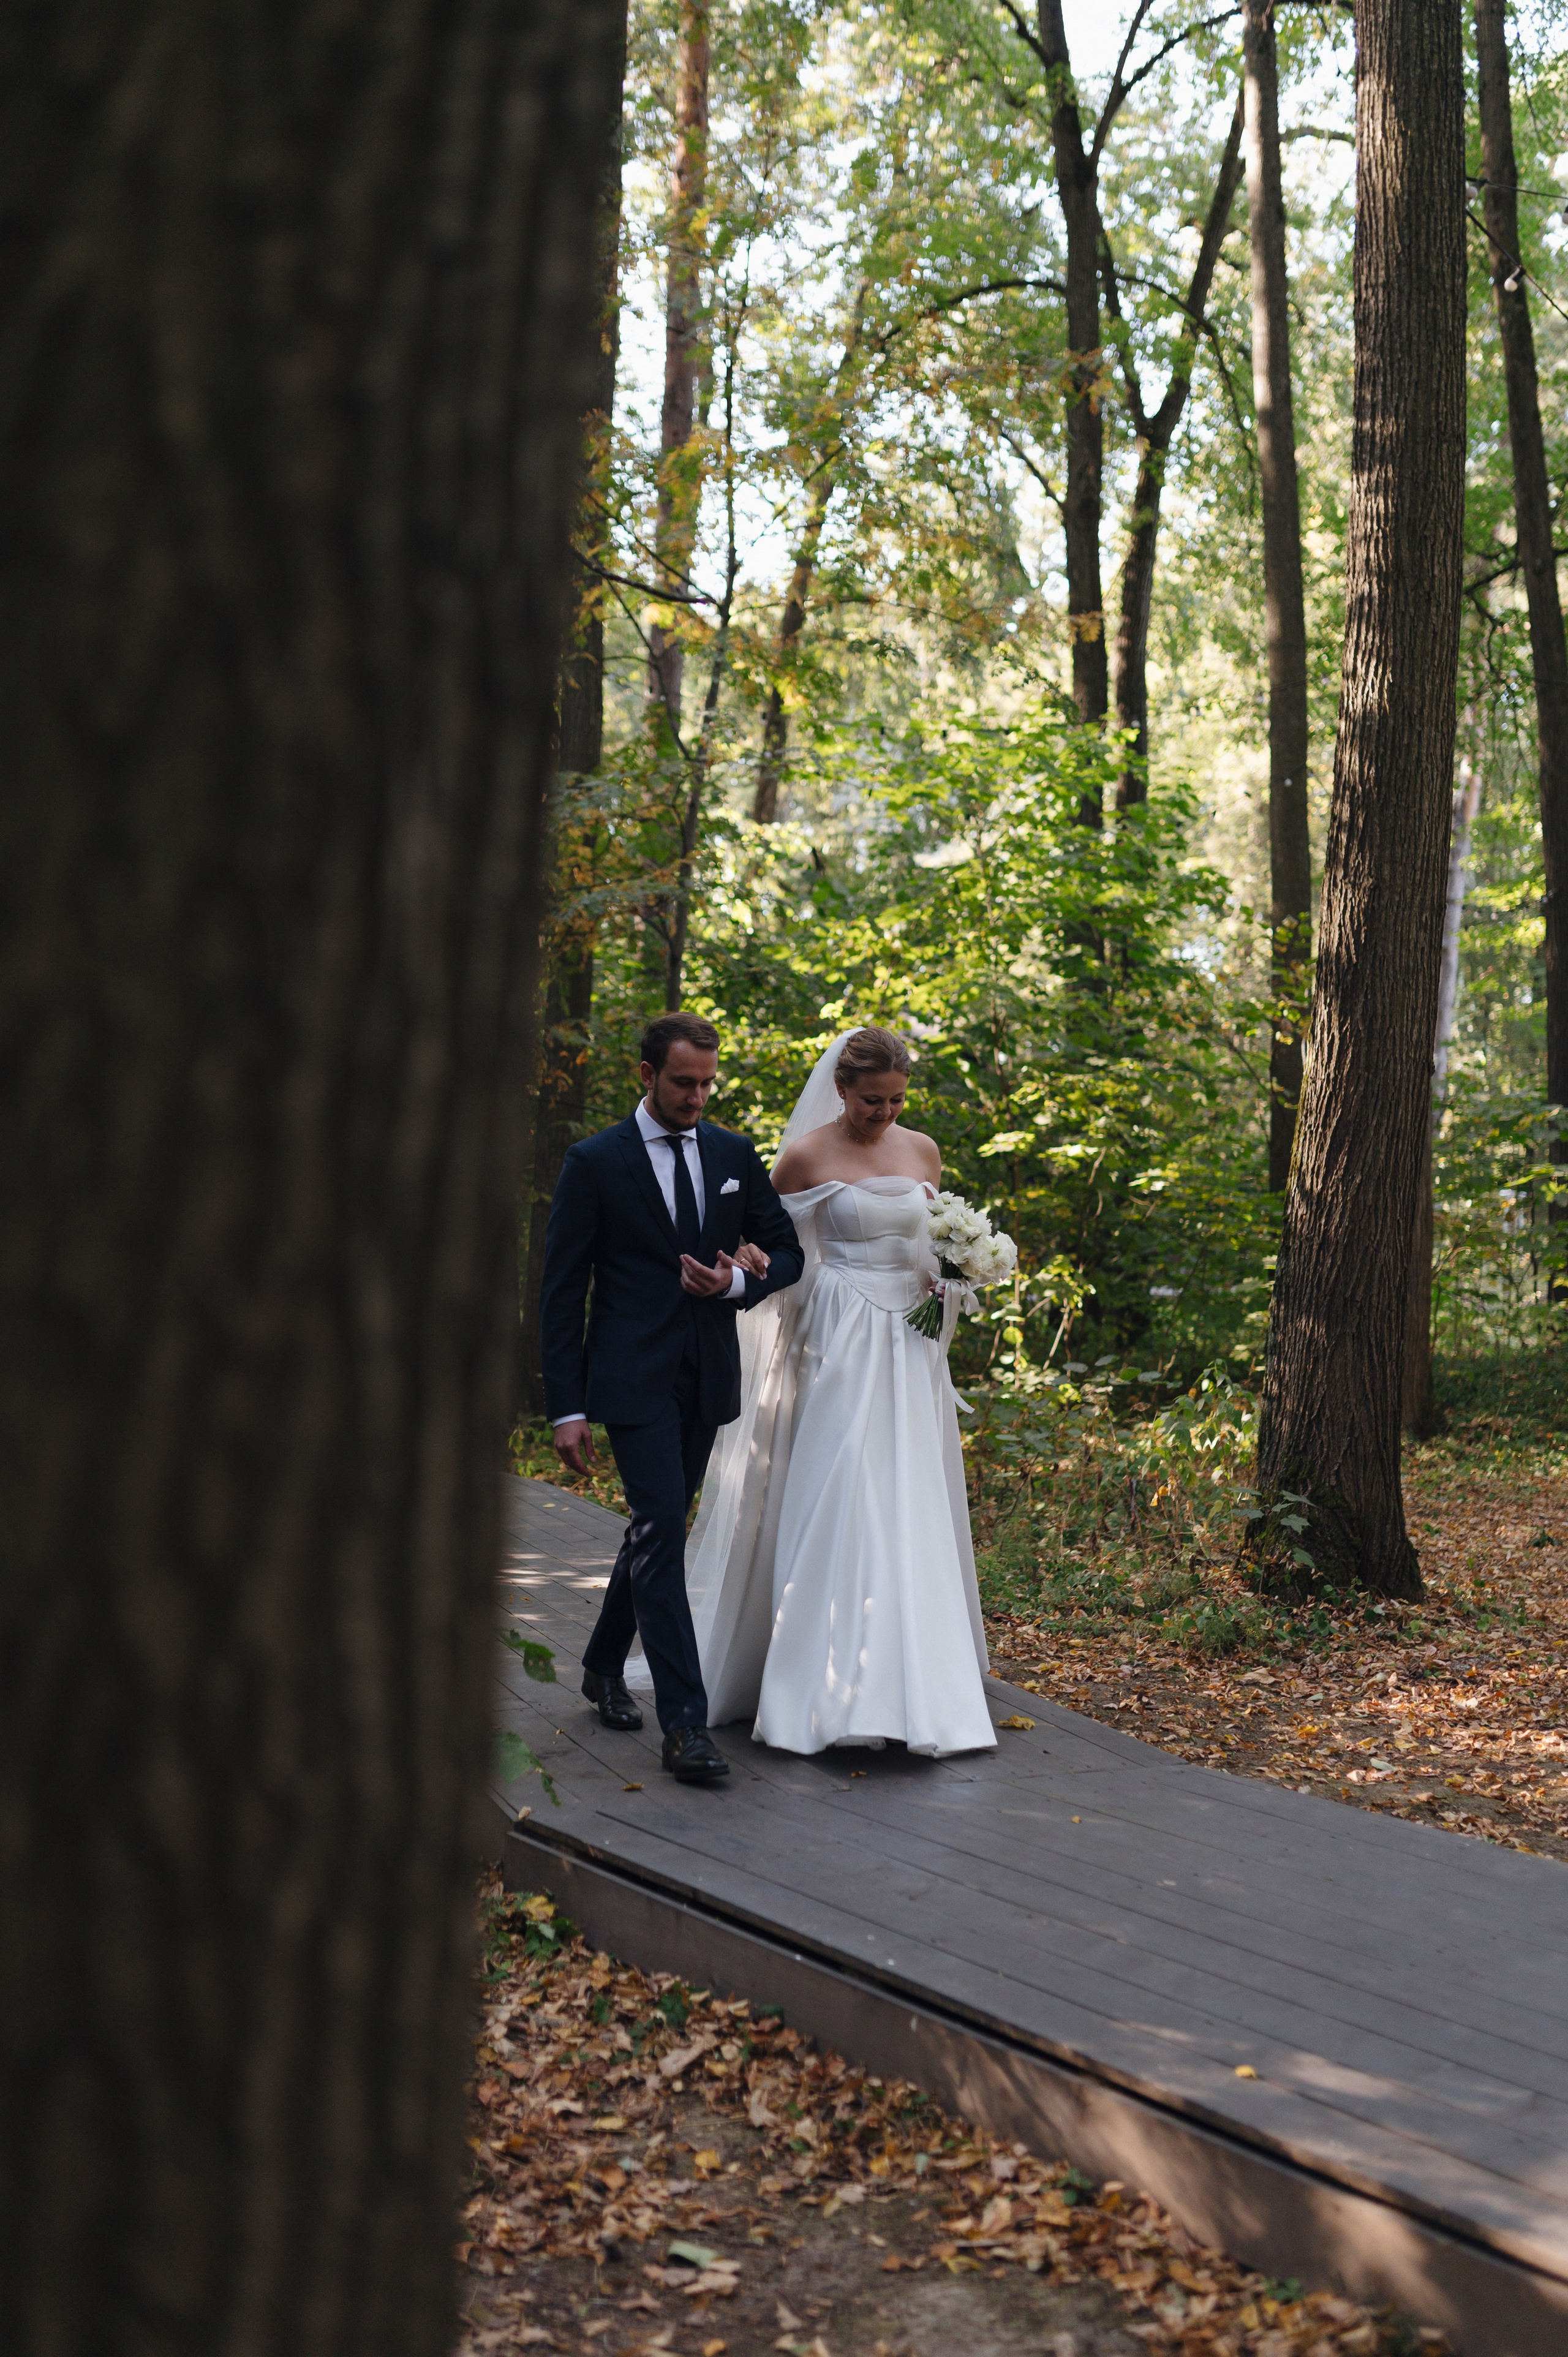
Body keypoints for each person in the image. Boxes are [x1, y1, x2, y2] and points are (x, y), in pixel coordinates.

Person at [650, 1025, 997, 1759]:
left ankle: (916, 1683)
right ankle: (820, 1683)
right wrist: (744, 1260)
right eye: (873, 1099)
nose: (885, 1112)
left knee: (906, 1493)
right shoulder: (805, 1156)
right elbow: (773, 1246)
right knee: (841, 1488)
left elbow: (930, 1238)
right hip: (836, 1332)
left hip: (909, 1339)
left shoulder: (923, 1150)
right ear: (841, 1089)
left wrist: (952, 1273)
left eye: (897, 1099)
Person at [538, 1012, 804, 1782]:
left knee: (660, 1529)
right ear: (646, 1073)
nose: (697, 1095)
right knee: (659, 1523)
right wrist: (567, 1406)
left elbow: (785, 1250)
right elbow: (562, 1292)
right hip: (629, 1377)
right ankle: (685, 1724)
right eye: (683, 1081)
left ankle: (598, 1664)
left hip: (707, 1372)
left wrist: (737, 1281)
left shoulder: (731, 1153)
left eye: (706, 1082)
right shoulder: (593, 1162)